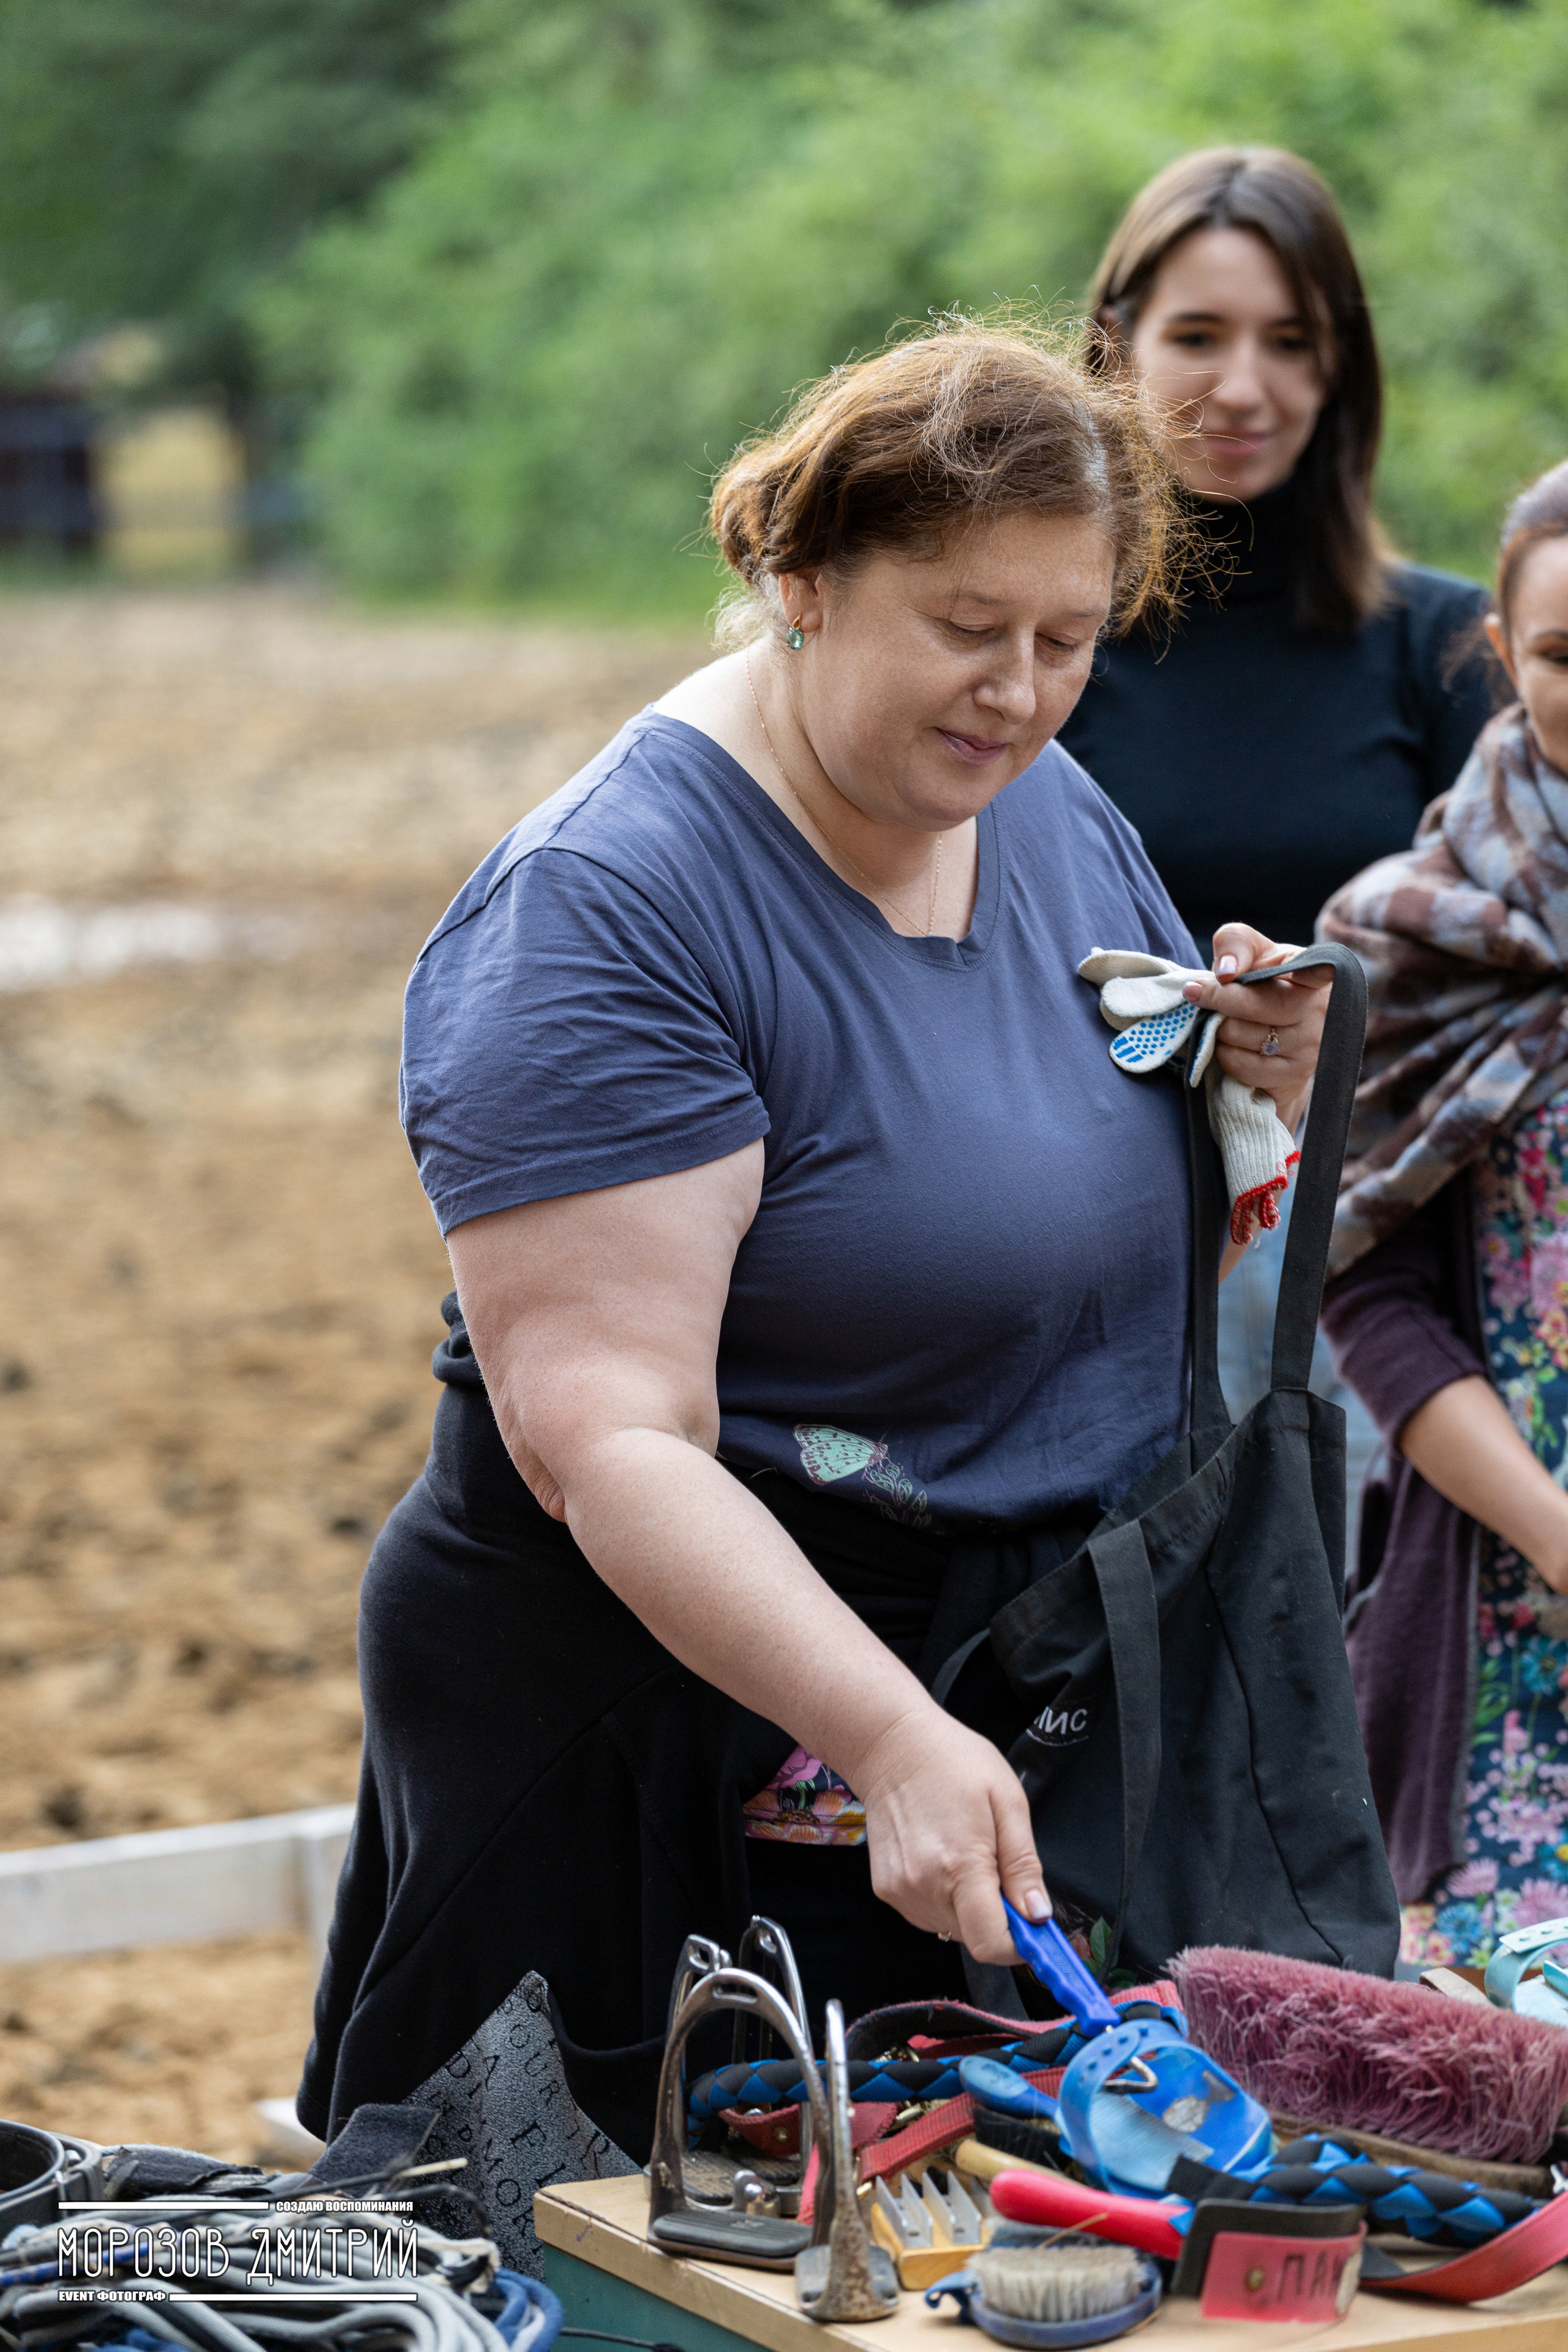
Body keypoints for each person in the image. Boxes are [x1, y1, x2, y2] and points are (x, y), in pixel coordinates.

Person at [298, 322, 1329, 2190]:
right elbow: (603, 1436)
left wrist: (1241, 1069)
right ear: (801, 580)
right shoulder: (605, 911)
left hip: (994, 1676)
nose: (1018, 692)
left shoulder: (1029, 794)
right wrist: (884, 1733)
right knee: (643, 2261)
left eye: (1068, 641)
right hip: (674, 1721)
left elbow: (1055, 1124)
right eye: (964, 626)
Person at [1058, 146, 1493, 1457]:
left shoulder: (1442, 648)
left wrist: (1344, 1045)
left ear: (1337, 372)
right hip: (1070, 1262)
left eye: (1289, 342)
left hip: (1360, 1285)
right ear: (1113, 347)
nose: (1241, 387)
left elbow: (1519, 984)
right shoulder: (1037, 644)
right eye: (1196, 334)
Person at [1319, 458, 1568, 1966]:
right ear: (1498, 651)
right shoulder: (1414, 938)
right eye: (1559, 657)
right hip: (1498, 1630)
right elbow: (1368, 1296)